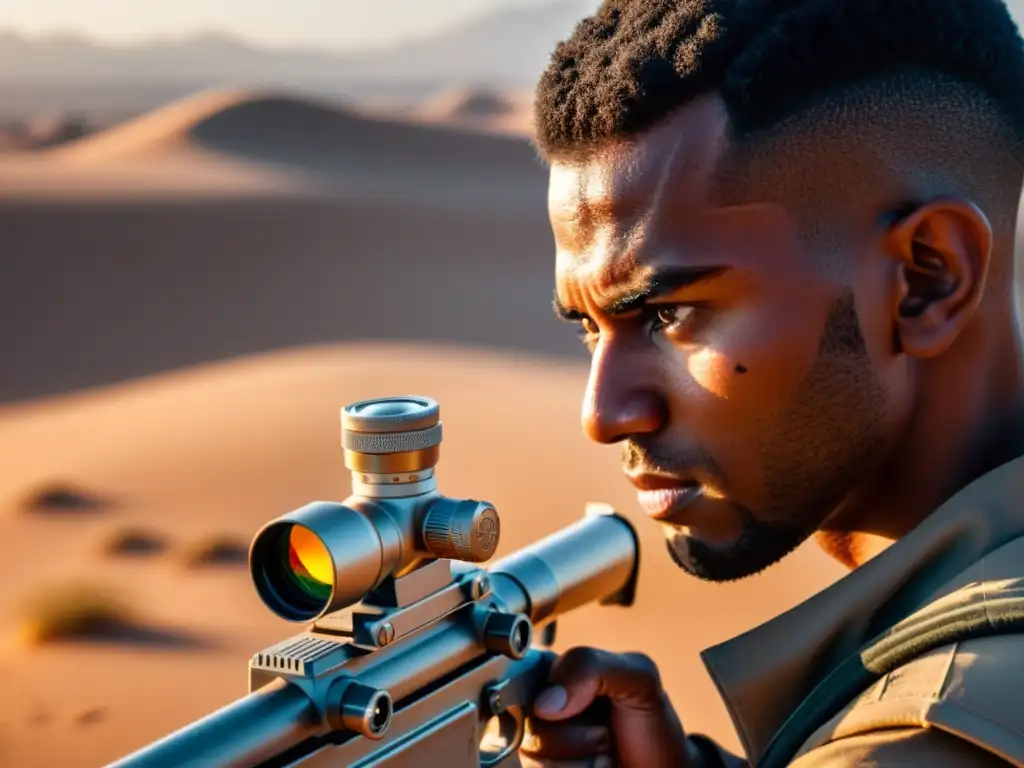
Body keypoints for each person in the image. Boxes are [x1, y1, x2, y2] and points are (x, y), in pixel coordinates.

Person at [520, 0, 1024, 765]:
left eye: (671, 313)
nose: (605, 413)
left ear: (928, 280)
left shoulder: (926, 736)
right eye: (588, 327)